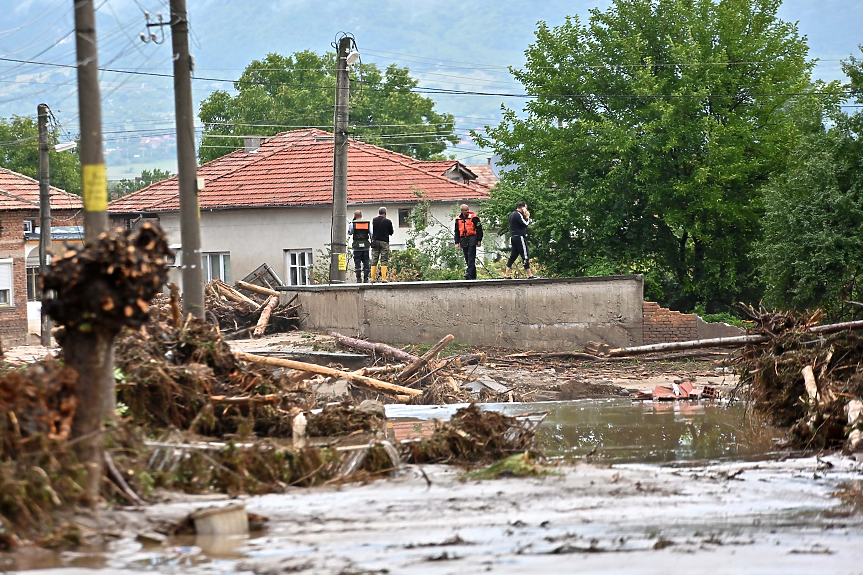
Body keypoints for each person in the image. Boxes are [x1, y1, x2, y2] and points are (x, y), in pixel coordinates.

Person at [503, 201, 539, 279]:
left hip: (514, 237)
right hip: (520, 237)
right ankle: (529, 274)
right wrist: (527, 217)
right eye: (525, 208)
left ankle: (507, 273)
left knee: (513, 255)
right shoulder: (518, 214)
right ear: (522, 208)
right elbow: (525, 224)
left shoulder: (512, 214)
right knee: (525, 255)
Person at [454, 204, 483, 280]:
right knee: (467, 257)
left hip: (472, 238)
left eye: (468, 210)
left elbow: (479, 229)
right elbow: (457, 231)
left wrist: (479, 240)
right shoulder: (458, 219)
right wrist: (457, 242)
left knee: (471, 256)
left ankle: (469, 273)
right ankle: (472, 276)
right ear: (462, 211)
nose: (467, 211)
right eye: (465, 210)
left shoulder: (474, 218)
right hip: (463, 239)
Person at [370, 206, 394, 282]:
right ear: (385, 213)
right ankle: (383, 278)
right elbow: (391, 232)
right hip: (384, 242)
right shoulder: (388, 222)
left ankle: (372, 278)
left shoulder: (374, 220)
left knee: (374, 259)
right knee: (384, 259)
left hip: (375, 242)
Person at [347, 210, 371, 283]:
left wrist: (352, 224)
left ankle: (359, 279)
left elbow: (350, 232)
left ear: (355, 216)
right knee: (366, 261)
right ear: (361, 215)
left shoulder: (353, 224)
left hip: (356, 247)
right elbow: (371, 233)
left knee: (357, 263)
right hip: (366, 246)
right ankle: (366, 279)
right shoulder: (367, 223)